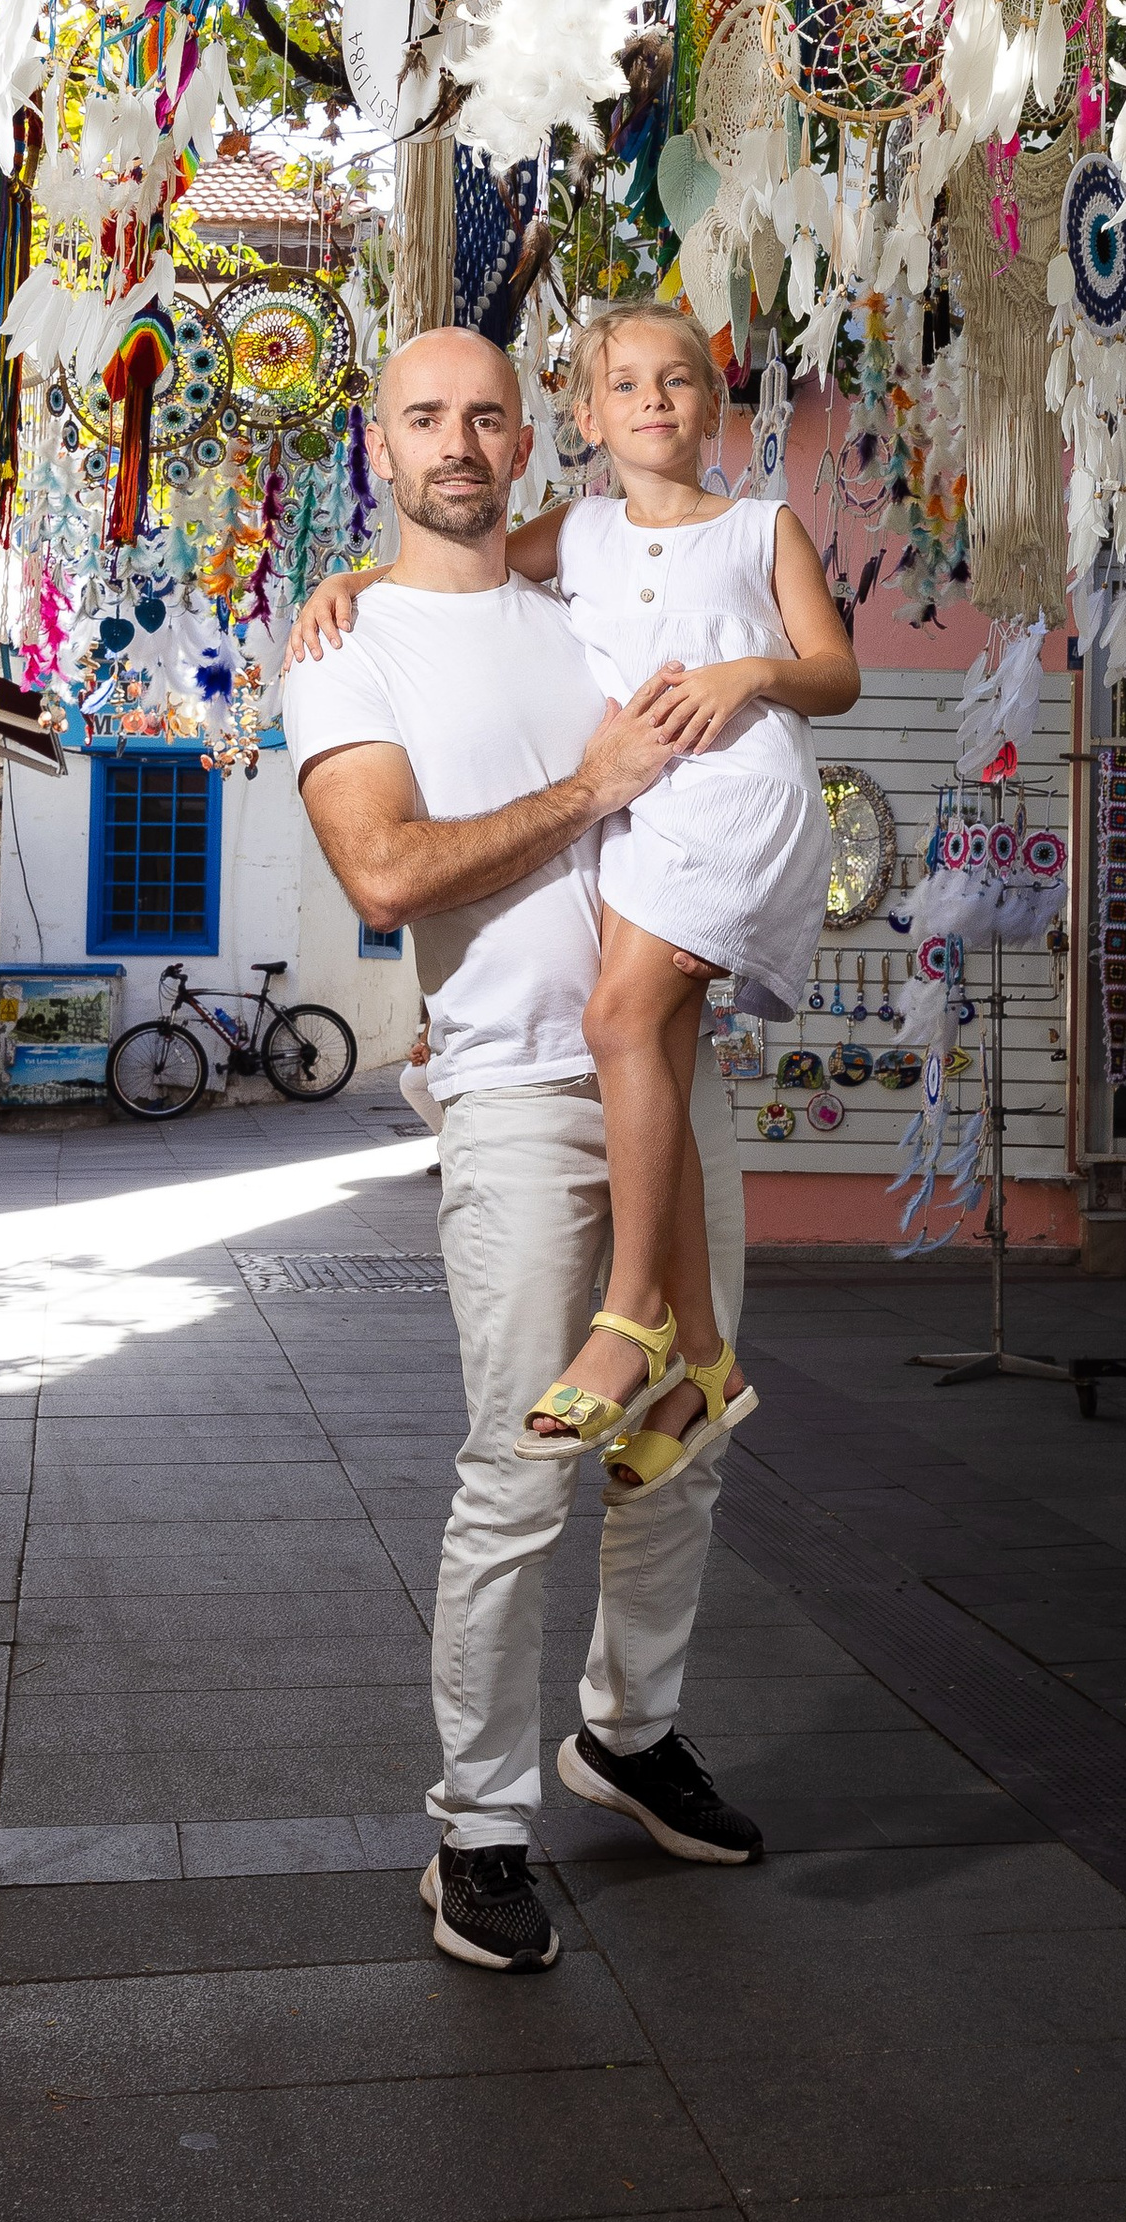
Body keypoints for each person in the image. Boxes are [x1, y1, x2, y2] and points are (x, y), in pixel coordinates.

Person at [285, 326, 767, 1977]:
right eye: (426, 417)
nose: (461, 442)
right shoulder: (349, 652)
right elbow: (387, 875)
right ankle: (478, 1827)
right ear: (383, 441)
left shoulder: (586, 603)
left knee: (684, 1421)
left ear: (525, 433)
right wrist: (591, 782)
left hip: (674, 1078)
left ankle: (630, 1733)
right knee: (528, 1453)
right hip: (512, 1098)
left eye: (488, 413)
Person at [289, 300, 857, 1487]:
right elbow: (460, 565)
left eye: (485, 418)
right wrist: (343, 577)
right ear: (588, 419)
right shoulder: (563, 550)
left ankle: (638, 1311)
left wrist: (749, 671)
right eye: (426, 419)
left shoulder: (739, 534)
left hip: (725, 806)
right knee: (518, 1479)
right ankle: (702, 1360)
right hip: (570, 964)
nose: (654, 402)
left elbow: (830, 672)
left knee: (621, 1018)